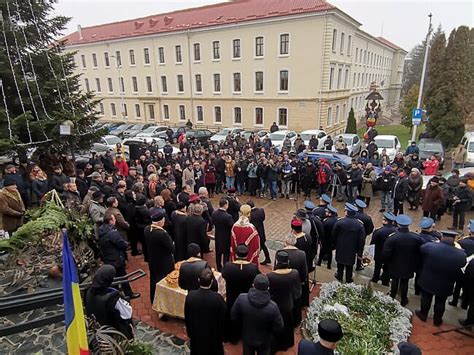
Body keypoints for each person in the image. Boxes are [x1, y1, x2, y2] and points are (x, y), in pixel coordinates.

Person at [415, 230, 467, 326]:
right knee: (441, 302)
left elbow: (421, 249)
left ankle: (423, 314)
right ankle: (437, 320)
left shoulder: (430, 247)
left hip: (428, 279)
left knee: (426, 298)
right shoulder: (460, 254)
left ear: (442, 237)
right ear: (454, 240)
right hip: (446, 283)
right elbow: (462, 264)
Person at [231, 274, 284, 355]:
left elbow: (233, 316)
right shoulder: (273, 307)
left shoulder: (241, 298)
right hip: (265, 340)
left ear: (253, 285)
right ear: (268, 288)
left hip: (247, 336)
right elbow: (279, 327)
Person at [222, 244, 260, 343]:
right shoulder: (253, 268)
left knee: (232, 316)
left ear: (236, 254)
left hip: (232, 297)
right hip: (247, 298)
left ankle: (232, 337)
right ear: (247, 255)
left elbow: (224, 275)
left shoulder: (228, 266)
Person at [383, 214, 423, 306]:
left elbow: (386, 252)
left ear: (398, 224)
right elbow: (421, 249)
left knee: (395, 280)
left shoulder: (393, 237)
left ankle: (392, 296)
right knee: (405, 282)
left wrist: (387, 262)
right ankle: (404, 298)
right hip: (409, 264)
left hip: (395, 263)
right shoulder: (416, 237)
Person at [85, 265, 134, 339]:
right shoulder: (112, 297)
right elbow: (127, 314)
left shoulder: (88, 291)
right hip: (112, 332)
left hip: (97, 331)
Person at [185, 268, 227, 355]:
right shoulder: (218, 298)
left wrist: (190, 332)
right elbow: (223, 319)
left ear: (198, 280)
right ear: (211, 282)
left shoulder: (191, 296)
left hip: (196, 335)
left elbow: (187, 317)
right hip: (213, 336)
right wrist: (223, 337)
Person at [98, 214, 139, 301]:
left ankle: (116, 295)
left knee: (115, 279)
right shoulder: (112, 232)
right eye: (114, 219)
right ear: (110, 221)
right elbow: (121, 244)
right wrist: (126, 244)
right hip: (116, 259)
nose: (115, 221)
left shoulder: (102, 230)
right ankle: (127, 294)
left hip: (108, 258)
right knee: (122, 277)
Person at [267, 251, 302, 352]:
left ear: (277, 261)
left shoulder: (271, 276)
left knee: (275, 326)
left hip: (275, 304)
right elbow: (297, 291)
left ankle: (275, 346)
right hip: (288, 304)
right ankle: (287, 343)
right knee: (287, 325)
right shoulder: (294, 273)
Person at [144, 211, 175, 303]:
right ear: (161, 221)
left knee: (154, 281)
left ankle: (153, 299)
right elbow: (171, 248)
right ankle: (163, 303)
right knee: (164, 283)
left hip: (153, 261)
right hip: (164, 262)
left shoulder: (147, 229)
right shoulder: (162, 234)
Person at [279, 233, 308, 326]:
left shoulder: (280, 252)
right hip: (296, 281)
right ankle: (296, 321)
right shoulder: (302, 254)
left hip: (283, 280)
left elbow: (276, 267)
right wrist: (303, 281)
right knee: (295, 302)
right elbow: (304, 270)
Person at [332, 203, 365, 283]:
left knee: (340, 264)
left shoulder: (340, 222)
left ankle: (339, 276)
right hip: (352, 249)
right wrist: (359, 251)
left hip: (341, 247)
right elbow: (361, 240)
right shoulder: (360, 225)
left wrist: (334, 245)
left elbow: (334, 235)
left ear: (346, 212)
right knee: (349, 266)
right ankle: (348, 279)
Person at [370, 212, 397, 285]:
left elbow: (373, 242)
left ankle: (375, 278)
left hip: (379, 253)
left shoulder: (378, 231)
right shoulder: (396, 231)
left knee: (377, 267)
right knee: (387, 268)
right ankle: (385, 281)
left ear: (385, 221)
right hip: (390, 255)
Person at [212, 197, 234, 271]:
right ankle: (225, 268)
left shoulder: (214, 213)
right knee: (226, 254)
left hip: (218, 236)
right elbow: (232, 227)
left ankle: (219, 267)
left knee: (218, 253)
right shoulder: (228, 216)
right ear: (225, 205)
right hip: (226, 237)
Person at [248, 200, 271, 265]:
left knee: (255, 245)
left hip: (255, 233)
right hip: (261, 231)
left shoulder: (250, 215)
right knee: (263, 245)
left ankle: (257, 257)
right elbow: (263, 219)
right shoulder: (261, 210)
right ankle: (267, 258)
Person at [354, 199, 374, 271]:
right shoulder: (367, 218)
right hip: (362, 237)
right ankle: (358, 265)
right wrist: (365, 234)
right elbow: (371, 229)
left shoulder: (352, 214)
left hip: (352, 236)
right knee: (360, 251)